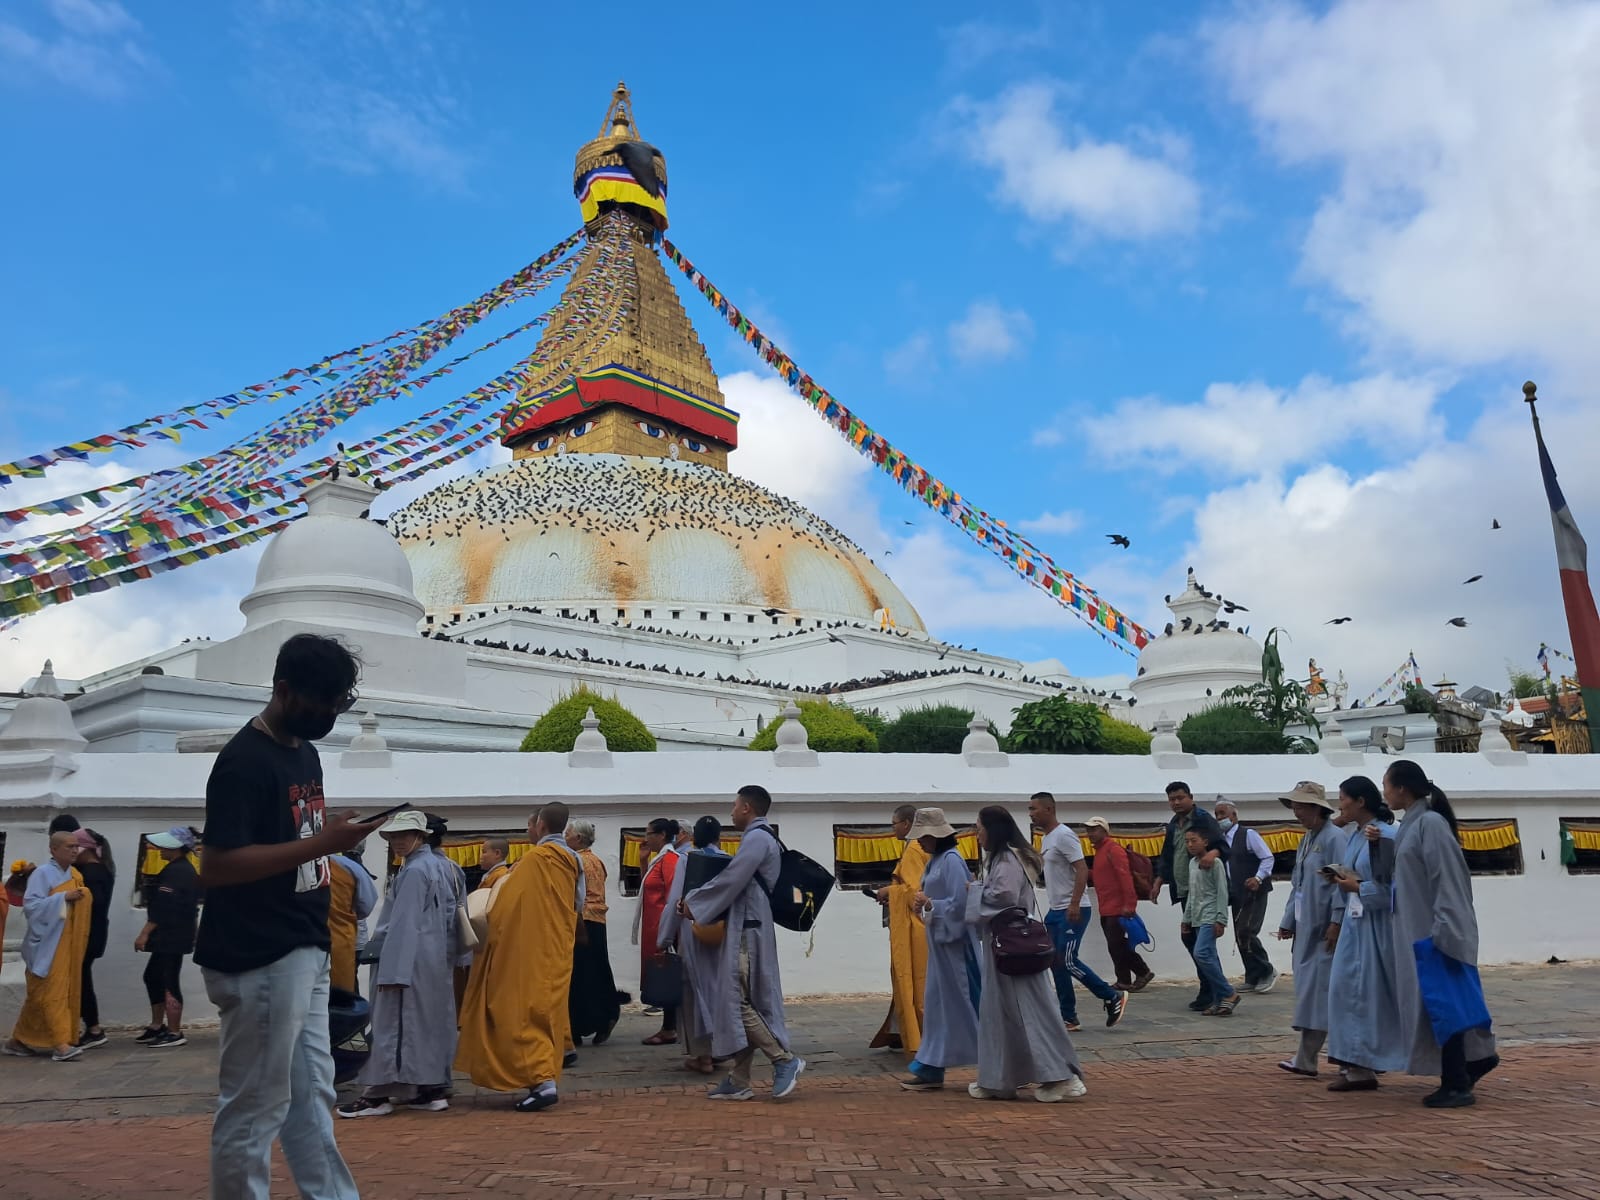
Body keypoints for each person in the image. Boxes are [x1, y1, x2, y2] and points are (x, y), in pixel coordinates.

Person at [193, 632, 367, 1200]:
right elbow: (217, 865)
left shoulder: (304, 751)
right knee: (254, 1105)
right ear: (284, 689)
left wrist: (328, 831)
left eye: (339, 705)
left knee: (313, 1093)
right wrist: (322, 845)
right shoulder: (244, 761)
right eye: (322, 704)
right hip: (258, 952)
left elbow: (291, 838)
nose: (328, 716)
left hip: (304, 944)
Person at [1378, 759, 1497, 1108]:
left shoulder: (1430, 824)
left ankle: (1457, 1080)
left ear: (1402, 788)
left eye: (1385, 785)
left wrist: (1447, 929)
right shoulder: (1411, 826)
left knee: (1444, 1007)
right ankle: (1471, 1064)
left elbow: (1448, 880)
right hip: (1417, 931)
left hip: (1434, 932)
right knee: (1438, 1006)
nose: (1383, 792)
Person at [455, 803, 582, 1113]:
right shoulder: (573, 859)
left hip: (528, 950)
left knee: (520, 1011)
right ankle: (544, 1077)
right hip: (558, 949)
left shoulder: (535, 860)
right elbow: (577, 904)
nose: (528, 831)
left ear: (539, 826)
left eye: (529, 825)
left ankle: (542, 1081)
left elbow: (504, 909)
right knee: (547, 1012)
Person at [338, 809, 463, 1118]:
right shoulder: (444, 866)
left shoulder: (415, 871)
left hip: (408, 960)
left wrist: (394, 971)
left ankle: (378, 1094)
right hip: (434, 960)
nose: (396, 842)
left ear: (420, 836)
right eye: (393, 836)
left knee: (393, 1025)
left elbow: (404, 924)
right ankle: (428, 1088)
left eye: (403, 835)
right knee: (429, 1025)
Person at [683, 784, 804, 1101]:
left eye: (735, 806)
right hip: (750, 925)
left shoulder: (756, 839)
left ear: (747, 808)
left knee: (738, 1002)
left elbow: (732, 879)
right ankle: (739, 1078)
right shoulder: (766, 838)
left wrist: (694, 903)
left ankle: (784, 1060)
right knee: (748, 1001)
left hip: (747, 930)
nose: (732, 812)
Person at [966, 805, 1085, 1102]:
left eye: (979, 828)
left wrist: (973, 890)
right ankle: (1001, 1079)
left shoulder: (1006, 859)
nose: (977, 834)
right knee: (1001, 1013)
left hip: (1013, 944)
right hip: (1004, 943)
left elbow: (1002, 896)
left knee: (1033, 1011)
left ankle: (1061, 1076)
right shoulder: (1002, 858)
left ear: (992, 830)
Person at [1322, 775, 1405, 1091]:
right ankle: (1354, 1059)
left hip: (1376, 928)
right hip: (1356, 926)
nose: (1339, 804)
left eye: (1343, 797)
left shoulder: (1384, 836)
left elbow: (1393, 888)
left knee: (1364, 994)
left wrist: (1359, 888)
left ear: (1360, 801)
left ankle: (1363, 1064)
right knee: (1346, 990)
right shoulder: (1356, 835)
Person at [1029, 792, 1127, 1031]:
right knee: (1055, 961)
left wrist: (1074, 903)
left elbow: (1082, 870)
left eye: (1034, 809)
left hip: (1073, 909)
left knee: (1069, 960)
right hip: (1055, 910)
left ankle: (1111, 995)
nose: (1030, 813)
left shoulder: (1064, 836)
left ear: (1049, 809)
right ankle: (1068, 1017)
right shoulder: (1047, 838)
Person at [899, 808, 980, 1092]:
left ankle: (1001, 1061)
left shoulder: (951, 861)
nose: (918, 842)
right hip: (941, 946)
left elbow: (960, 903)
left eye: (922, 837)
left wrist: (931, 904)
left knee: (970, 1007)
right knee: (938, 1007)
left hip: (957, 950)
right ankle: (930, 1066)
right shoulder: (936, 861)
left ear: (935, 836)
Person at [1273, 780, 1345, 1077]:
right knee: (1310, 993)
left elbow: (1343, 883)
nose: (1297, 813)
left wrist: (1336, 921)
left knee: (1320, 994)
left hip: (1325, 929)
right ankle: (1306, 1057)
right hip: (1306, 928)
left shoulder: (1334, 839)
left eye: (1301, 807)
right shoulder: (1307, 840)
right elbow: (1298, 887)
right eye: (1295, 807)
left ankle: (1316, 1057)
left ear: (1317, 808)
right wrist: (1288, 921)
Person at [4, 831, 90, 1062]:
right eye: (69, 846)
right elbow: (31, 907)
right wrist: (62, 898)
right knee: (51, 995)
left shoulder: (74, 874)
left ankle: (17, 1041)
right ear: (53, 849)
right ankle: (61, 1045)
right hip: (45, 944)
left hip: (64, 942)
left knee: (40, 998)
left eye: (76, 846)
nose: (74, 850)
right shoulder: (42, 873)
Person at [658, 815, 732, 1074]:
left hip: (693, 933)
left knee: (694, 993)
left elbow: (675, 901)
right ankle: (721, 1048)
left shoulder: (688, 859)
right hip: (720, 935)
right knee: (717, 990)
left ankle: (703, 1057)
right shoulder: (727, 860)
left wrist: (664, 938)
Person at [1153, 781, 1225, 1012]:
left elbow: (1223, 845)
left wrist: (1212, 853)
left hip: (1206, 894)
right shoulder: (1175, 823)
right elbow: (1167, 853)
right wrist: (1159, 880)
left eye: (1180, 798)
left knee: (1203, 947)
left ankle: (1217, 992)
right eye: (1172, 799)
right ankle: (1210, 989)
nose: (1176, 802)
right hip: (1185, 891)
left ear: (1190, 797)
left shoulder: (1203, 819)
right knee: (1193, 942)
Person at [135, 827, 201, 1048]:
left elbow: (164, 907)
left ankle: (174, 1031)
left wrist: (145, 933)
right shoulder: (177, 868)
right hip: (171, 934)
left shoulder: (178, 872)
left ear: (175, 848)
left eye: (164, 845)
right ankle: (157, 1025)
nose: (159, 849)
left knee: (168, 980)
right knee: (153, 976)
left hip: (172, 935)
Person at [871, 804, 929, 1053]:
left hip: (915, 928)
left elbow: (915, 891)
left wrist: (889, 891)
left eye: (894, 823)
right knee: (905, 982)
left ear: (906, 824)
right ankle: (899, 1030)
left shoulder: (915, 848)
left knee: (913, 982)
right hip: (911, 925)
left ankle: (920, 1034)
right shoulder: (915, 847)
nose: (892, 827)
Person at [566, 818, 623, 1048]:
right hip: (597, 921)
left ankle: (581, 1024)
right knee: (597, 970)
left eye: (568, 833)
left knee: (579, 975)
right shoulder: (596, 860)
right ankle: (603, 1016)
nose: (565, 837)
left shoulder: (577, 860)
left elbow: (575, 895)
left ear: (578, 838)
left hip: (582, 922)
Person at [1213, 798, 1278, 994]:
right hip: (1236, 893)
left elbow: (1267, 857)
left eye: (1222, 814)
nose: (1219, 819)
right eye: (1216, 815)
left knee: (1248, 932)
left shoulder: (1248, 834)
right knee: (1240, 935)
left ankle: (1267, 971)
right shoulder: (1221, 840)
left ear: (1234, 816)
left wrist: (1258, 878)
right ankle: (1252, 976)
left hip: (1254, 891)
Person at [1084, 817, 1153, 992]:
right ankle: (1125, 979)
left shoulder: (1113, 850)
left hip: (1118, 908)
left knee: (1117, 945)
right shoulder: (1100, 852)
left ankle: (1141, 972)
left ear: (1105, 831)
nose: (1090, 833)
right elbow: (1101, 876)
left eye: (1095, 829)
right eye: (1089, 830)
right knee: (1116, 946)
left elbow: (1125, 878)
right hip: (1107, 908)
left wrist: (1130, 904)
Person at [1182, 827, 1238, 1016]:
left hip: (1211, 915)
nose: (1190, 844)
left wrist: (1221, 919)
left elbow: (1222, 892)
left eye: (1194, 840)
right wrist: (1186, 918)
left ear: (1205, 842)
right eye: (1187, 841)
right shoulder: (1192, 864)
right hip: (1197, 916)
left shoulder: (1216, 864)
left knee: (1201, 954)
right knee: (1210, 957)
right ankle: (1218, 1000)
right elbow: (1192, 892)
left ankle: (1228, 992)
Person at [637, 818, 681, 1042]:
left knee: (666, 974)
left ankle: (670, 1027)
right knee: (659, 972)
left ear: (662, 835)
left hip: (662, 927)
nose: (646, 838)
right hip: (653, 925)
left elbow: (673, 897)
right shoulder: (658, 860)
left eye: (649, 833)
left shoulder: (670, 860)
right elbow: (649, 887)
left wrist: (668, 930)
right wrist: (644, 863)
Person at [72, 828, 115, 1049]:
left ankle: (94, 1028)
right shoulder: (99, 869)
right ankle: (90, 1026)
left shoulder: (92, 872)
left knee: (81, 979)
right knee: (81, 977)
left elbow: (94, 902)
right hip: (95, 932)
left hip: (89, 933)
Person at [327, 850, 377, 997]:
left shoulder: (296, 861)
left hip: (304, 942)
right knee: (343, 995)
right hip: (342, 940)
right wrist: (347, 915)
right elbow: (367, 904)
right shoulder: (348, 866)